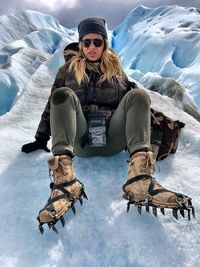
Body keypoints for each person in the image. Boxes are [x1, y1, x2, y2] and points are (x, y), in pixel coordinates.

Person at [22, 17, 194, 233]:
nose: (92, 47)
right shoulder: (66, 72)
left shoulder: (116, 72)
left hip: (112, 139)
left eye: (97, 42)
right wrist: (40, 138)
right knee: (63, 94)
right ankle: (65, 181)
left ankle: (140, 179)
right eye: (87, 42)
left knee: (138, 94)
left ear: (104, 44)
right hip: (80, 141)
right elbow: (53, 105)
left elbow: (132, 105)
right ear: (80, 44)